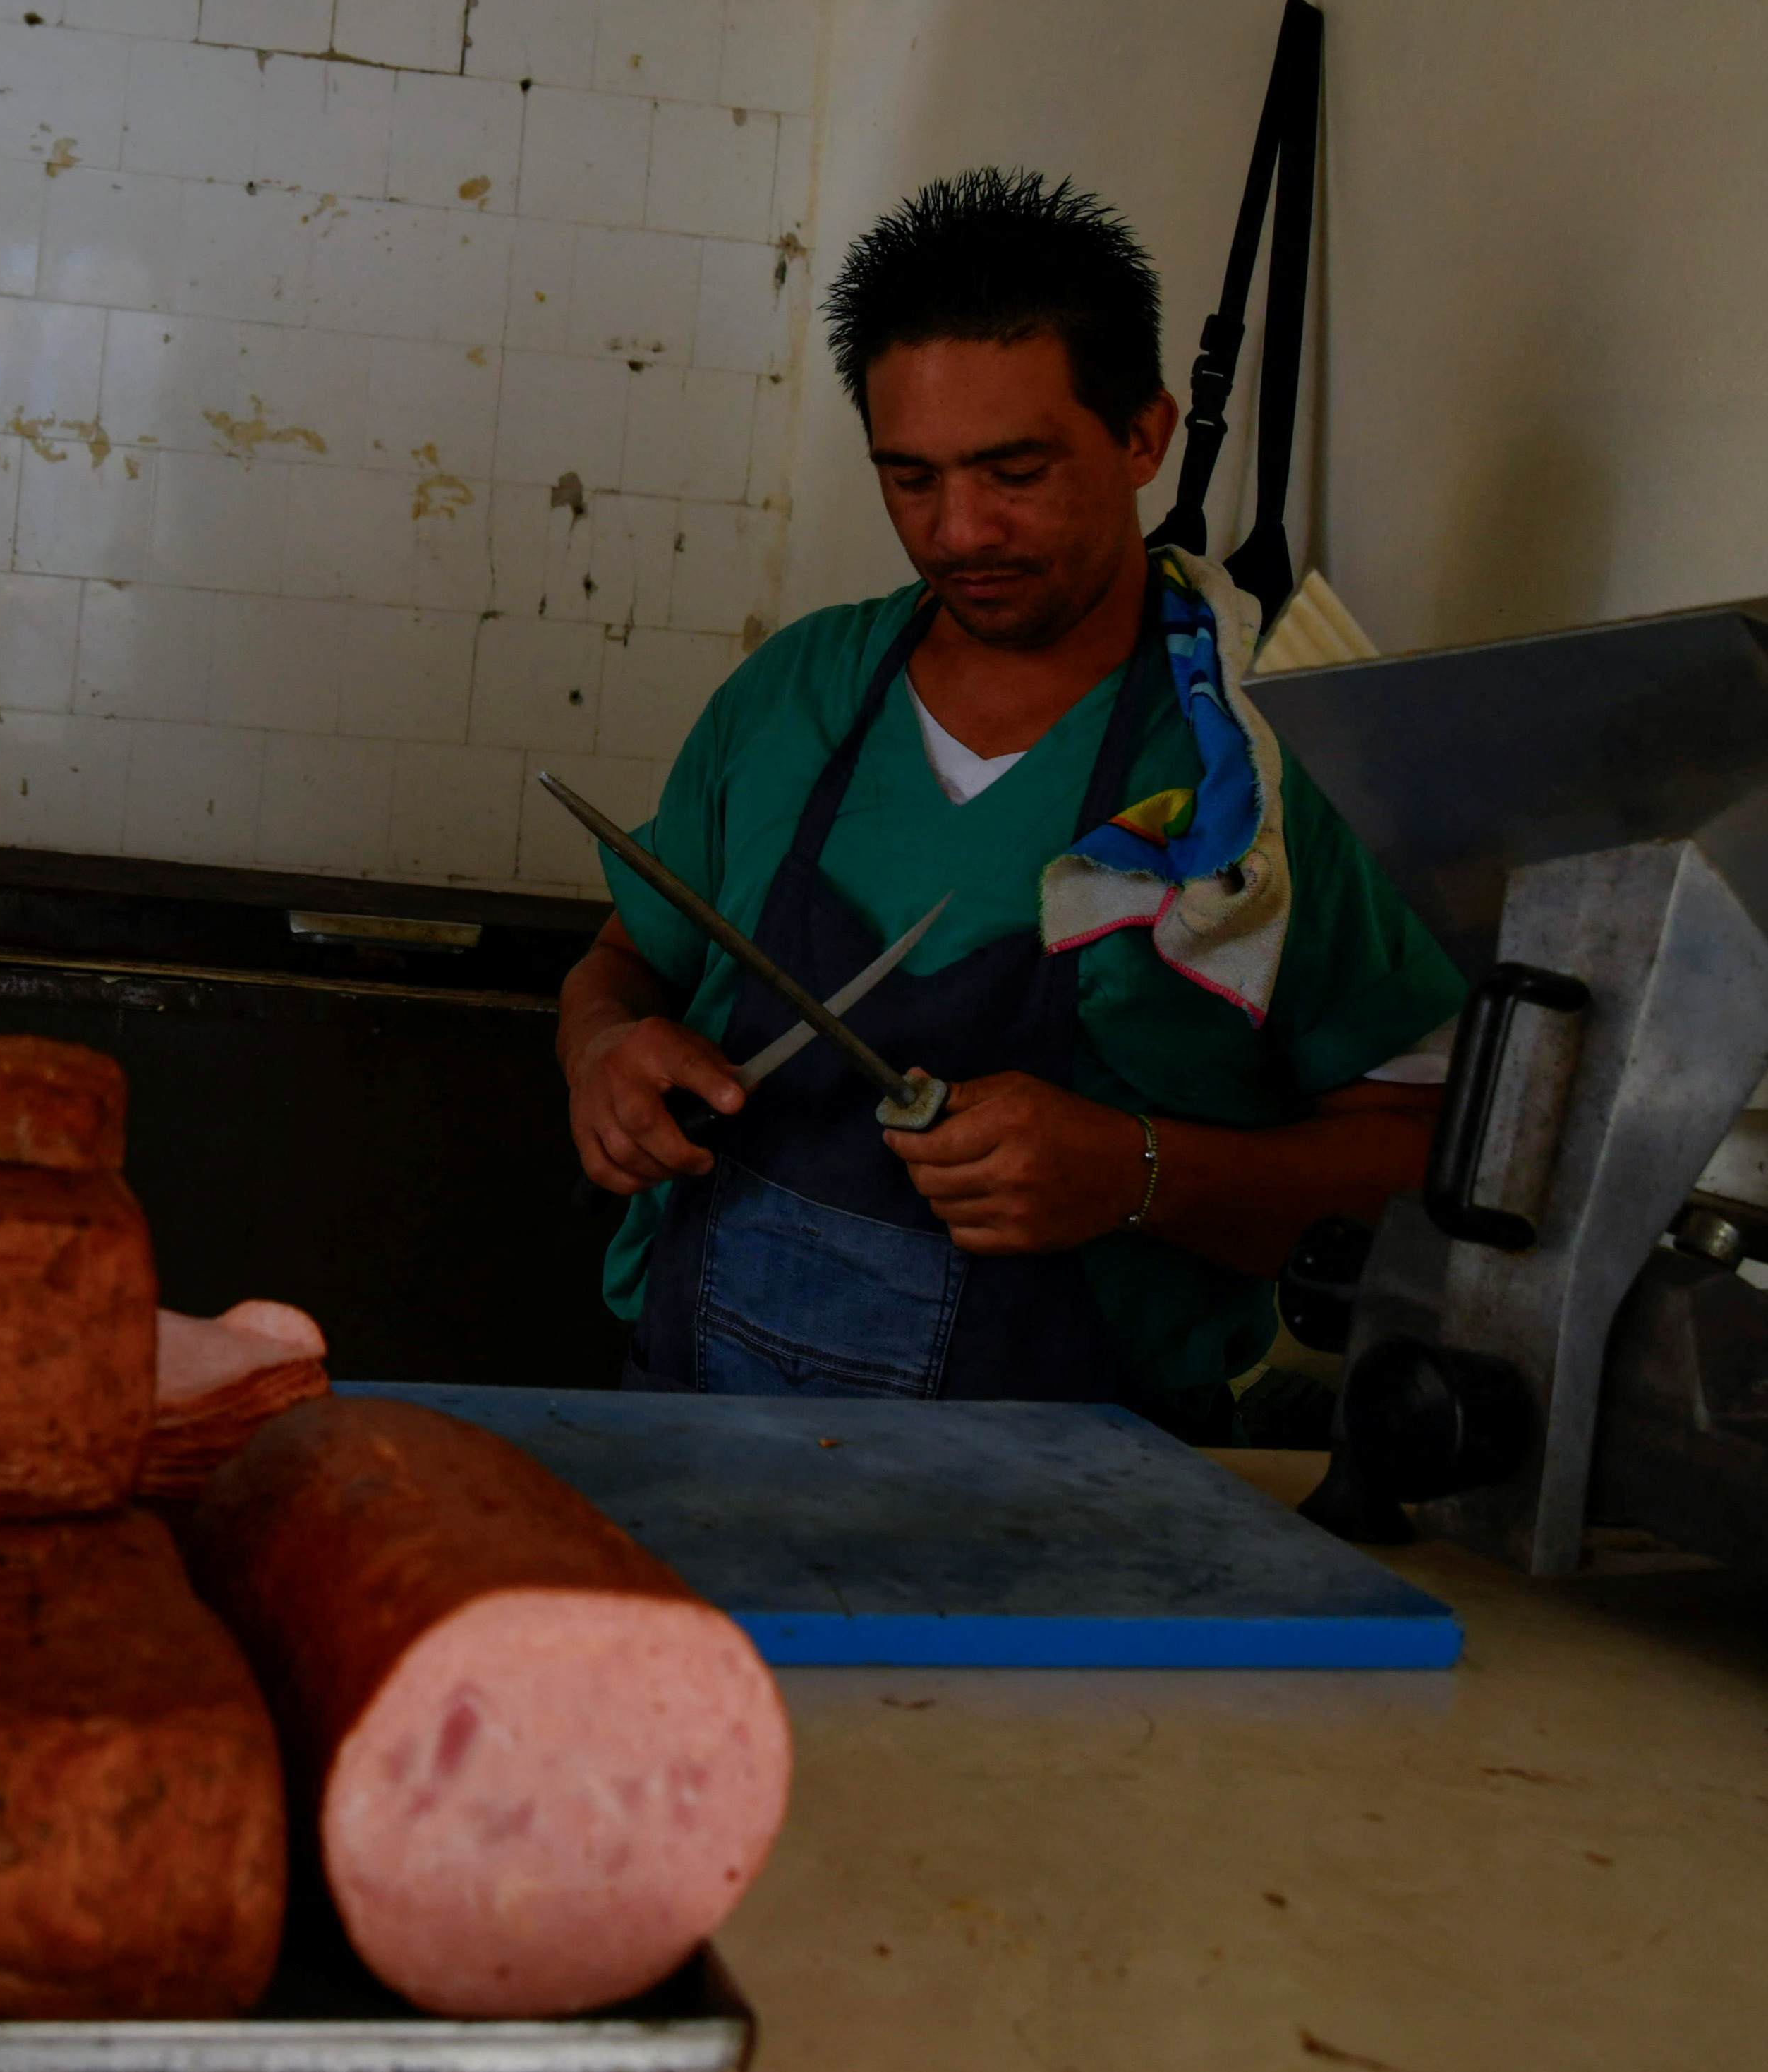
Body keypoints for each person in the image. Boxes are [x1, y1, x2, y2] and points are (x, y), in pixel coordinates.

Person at [555, 170, 1466, 1434]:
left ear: (1144, 435)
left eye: (1014, 470)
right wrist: (601, 1051)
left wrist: (1141, 1175)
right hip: (695, 1428)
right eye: (911, 478)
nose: (960, 530)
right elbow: (623, 960)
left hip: (1078, 1494)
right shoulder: (792, 697)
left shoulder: (1271, 760)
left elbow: (1420, 1159)